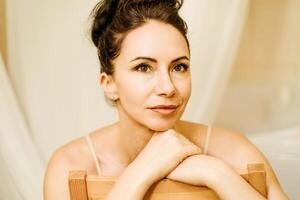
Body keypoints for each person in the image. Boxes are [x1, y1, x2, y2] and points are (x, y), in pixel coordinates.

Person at [43, 0, 289, 199]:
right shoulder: (70, 164)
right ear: (109, 85)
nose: (168, 87)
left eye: (179, 67)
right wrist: (143, 169)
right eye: (143, 68)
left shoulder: (233, 150)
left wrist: (215, 173)